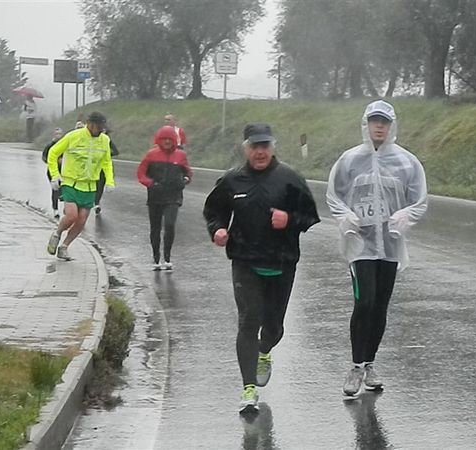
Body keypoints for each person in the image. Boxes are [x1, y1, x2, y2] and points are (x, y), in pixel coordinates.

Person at [203, 123, 320, 414]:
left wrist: (289, 219)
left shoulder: (290, 179)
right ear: (246, 148)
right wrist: (217, 230)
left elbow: (311, 216)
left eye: (264, 146)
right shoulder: (233, 180)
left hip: (282, 262)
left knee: (274, 328)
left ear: (272, 147)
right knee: (247, 321)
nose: (259, 152)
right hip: (245, 261)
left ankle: (264, 351)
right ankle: (248, 389)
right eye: (254, 146)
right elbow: (213, 211)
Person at [326, 100, 428, 400]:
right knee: (365, 301)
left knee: (381, 304)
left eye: (384, 122)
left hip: (391, 243)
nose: (379, 127)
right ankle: (356, 366)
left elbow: (419, 200)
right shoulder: (349, 160)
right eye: (374, 121)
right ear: (366, 124)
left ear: (392, 126)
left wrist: (404, 217)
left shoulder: (407, 162)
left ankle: (370, 363)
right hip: (360, 243)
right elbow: (334, 195)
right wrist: (345, 217)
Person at [46, 112, 115, 260]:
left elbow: (106, 162)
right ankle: (57, 233)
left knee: (82, 220)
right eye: (99, 127)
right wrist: (55, 175)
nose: (101, 130)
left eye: (103, 127)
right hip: (71, 183)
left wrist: (109, 181)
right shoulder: (73, 136)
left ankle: (64, 246)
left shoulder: (104, 140)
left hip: (90, 186)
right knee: (71, 216)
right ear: (90, 124)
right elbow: (53, 153)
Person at [137, 125, 192, 271]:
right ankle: (156, 258)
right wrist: (151, 184)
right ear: (159, 140)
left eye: (170, 139)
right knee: (155, 228)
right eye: (164, 139)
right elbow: (141, 174)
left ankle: (167, 257)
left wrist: (184, 181)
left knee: (169, 224)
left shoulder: (181, 156)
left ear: (174, 140)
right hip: (155, 197)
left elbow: (188, 173)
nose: (167, 142)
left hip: (173, 197)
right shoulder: (151, 155)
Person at [94, 129, 119, 215]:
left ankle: (96, 204)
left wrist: (107, 154)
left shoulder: (108, 140)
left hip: (104, 167)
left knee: (100, 186)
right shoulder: (94, 139)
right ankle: (95, 203)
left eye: (104, 131)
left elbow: (116, 152)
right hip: (94, 167)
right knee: (95, 187)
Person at [42, 127, 64, 219]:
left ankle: (67, 208)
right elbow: (44, 157)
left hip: (64, 171)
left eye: (60, 134)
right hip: (52, 171)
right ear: (54, 135)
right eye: (56, 134)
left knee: (65, 190)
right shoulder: (49, 146)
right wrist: (53, 161)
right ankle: (55, 210)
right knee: (55, 190)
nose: (58, 136)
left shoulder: (64, 144)